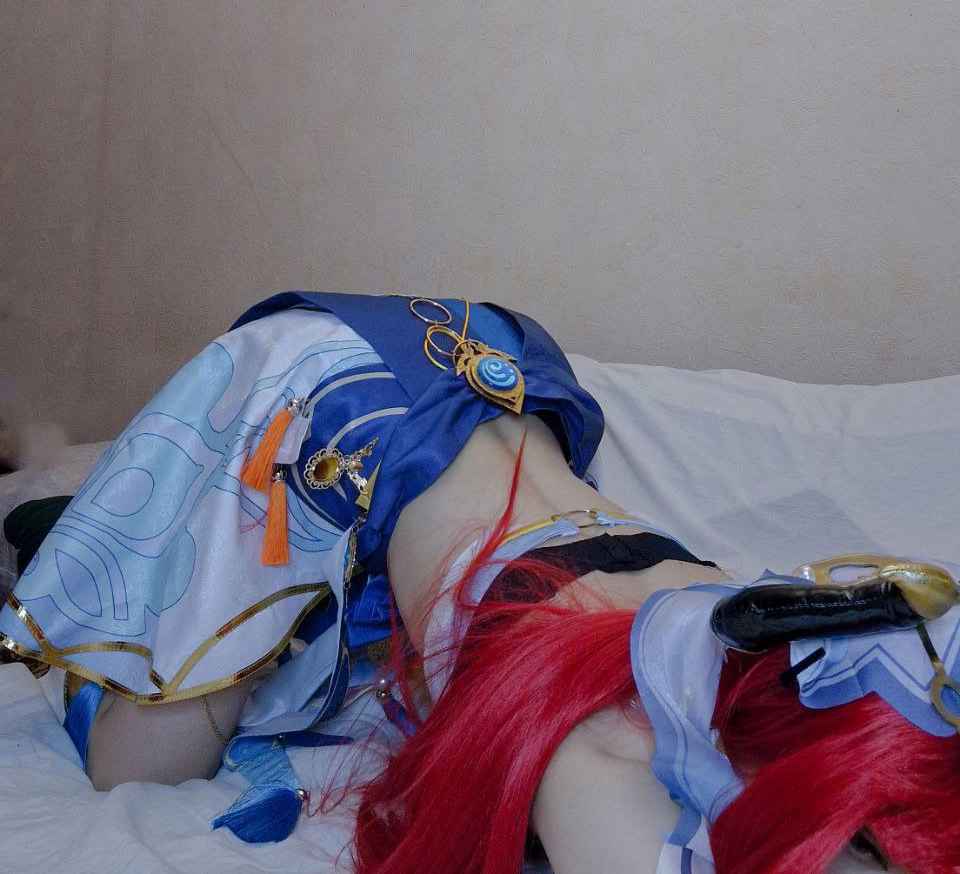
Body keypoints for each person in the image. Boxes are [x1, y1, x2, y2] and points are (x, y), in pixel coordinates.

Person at [3, 292, 960, 873]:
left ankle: (78, 503)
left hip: (485, 364)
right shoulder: (603, 744)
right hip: (326, 394)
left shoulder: (805, 657)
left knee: (267, 635)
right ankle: (52, 510)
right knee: (136, 755)